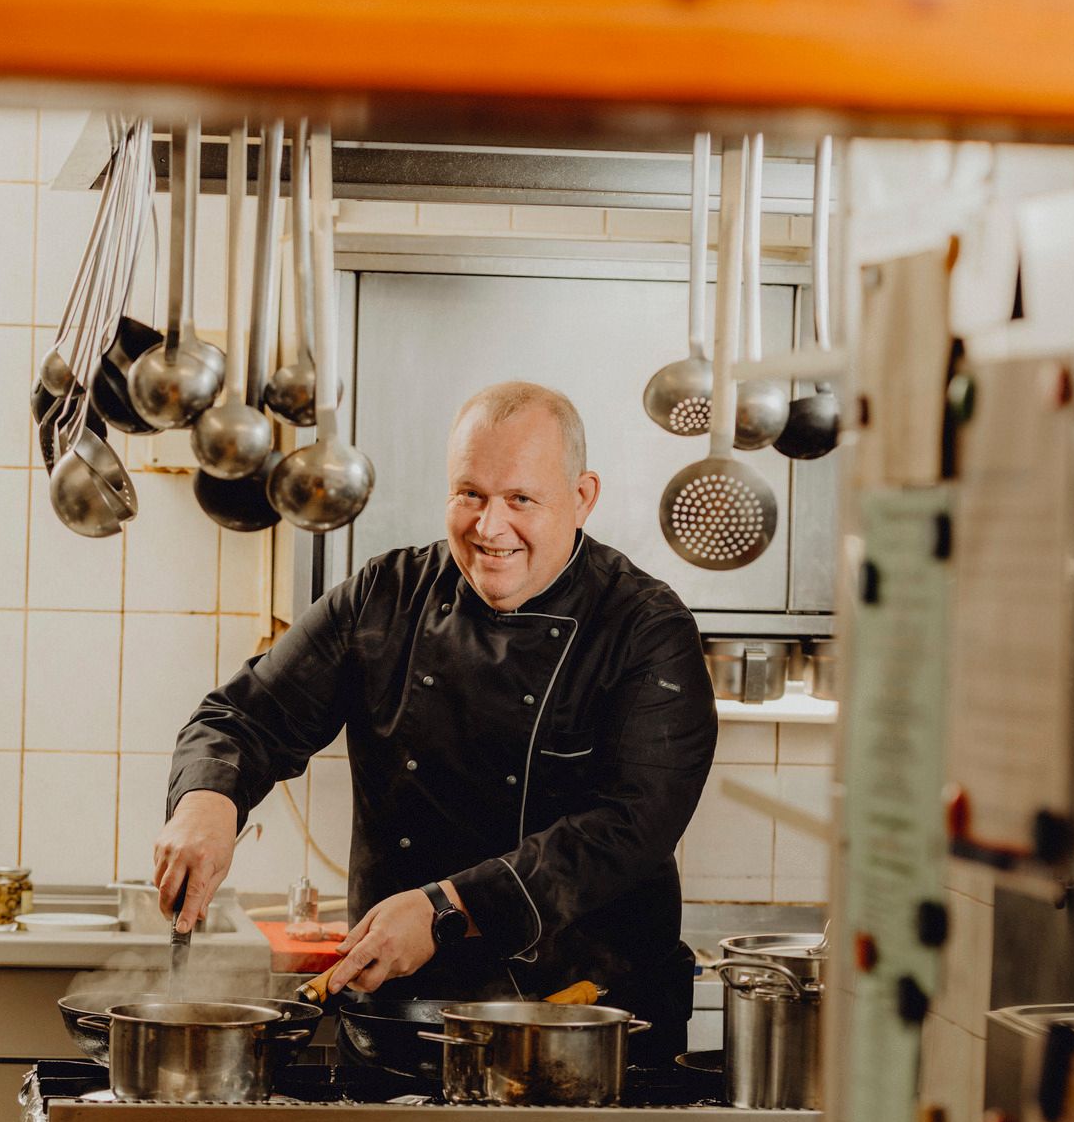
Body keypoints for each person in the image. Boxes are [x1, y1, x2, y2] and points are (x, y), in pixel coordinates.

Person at [155, 381, 718, 1060]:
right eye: (469, 494)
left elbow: (632, 827)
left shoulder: (644, 628)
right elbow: (244, 716)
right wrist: (206, 802)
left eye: (521, 499)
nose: (488, 527)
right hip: (399, 1018)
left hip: (585, 1027)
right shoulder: (384, 597)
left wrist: (447, 910)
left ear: (582, 497)